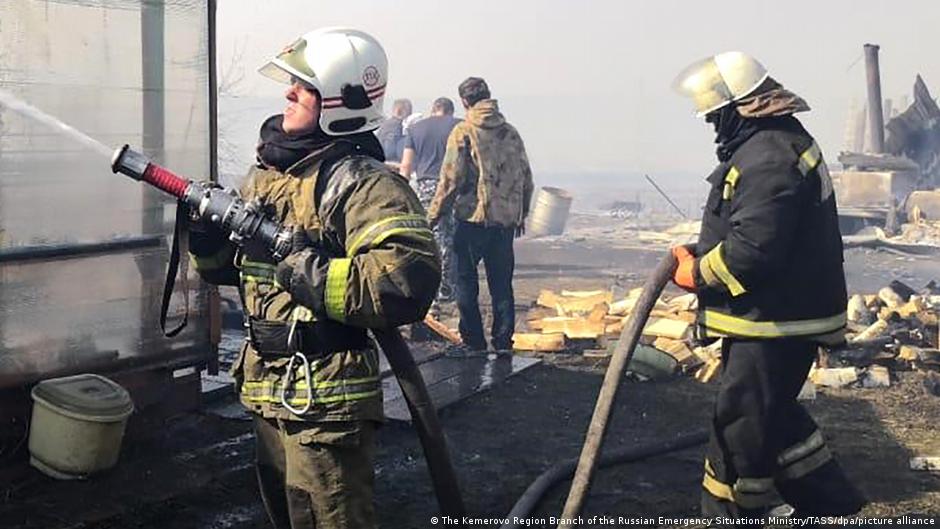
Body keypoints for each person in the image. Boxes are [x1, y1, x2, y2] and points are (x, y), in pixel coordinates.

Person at [188, 28, 440, 529]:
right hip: (267, 387)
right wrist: (206, 240)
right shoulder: (267, 177)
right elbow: (231, 276)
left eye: (301, 87)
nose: (287, 94)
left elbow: (404, 283)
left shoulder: (365, 184)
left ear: (339, 102)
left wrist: (299, 262)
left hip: (327, 398)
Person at [671, 51, 866, 521]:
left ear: (738, 108)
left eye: (715, 116)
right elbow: (758, 230)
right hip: (777, 316)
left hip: (775, 321)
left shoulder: (769, 155)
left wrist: (694, 275)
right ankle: (834, 506)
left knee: (739, 426)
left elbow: (754, 250)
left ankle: (729, 513)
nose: (713, 125)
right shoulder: (775, 146)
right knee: (775, 419)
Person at [427, 77, 533, 351]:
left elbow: (450, 180)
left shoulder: (464, 131)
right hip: (504, 223)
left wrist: (433, 216)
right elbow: (526, 178)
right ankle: (502, 342)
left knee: (465, 282)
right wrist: (521, 214)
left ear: (464, 101)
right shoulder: (511, 132)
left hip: (472, 220)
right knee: (501, 286)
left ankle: (473, 341)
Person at [400, 97, 461, 305]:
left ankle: (431, 285)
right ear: (450, 111)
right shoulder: (460, 126)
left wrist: (403, 190)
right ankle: (448, 288)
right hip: (455, 185)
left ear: (433, 109)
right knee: (452, 237)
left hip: (426, 186)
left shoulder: (416, 129)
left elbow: (406, 165)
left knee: (431, 235)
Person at [375, 98, 412, 162]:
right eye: (409, 111)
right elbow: (391, 151)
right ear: (399, 111)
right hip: (392, 164)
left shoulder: (385, 125)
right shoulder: (398, 126)